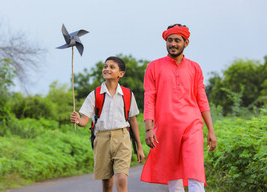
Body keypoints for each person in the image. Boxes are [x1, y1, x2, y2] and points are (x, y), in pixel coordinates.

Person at [140, 24, 217, 192]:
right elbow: (149, 99)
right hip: (166, 127)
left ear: (186, 43)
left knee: (196, 172)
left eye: (177, 40)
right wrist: (148, 128)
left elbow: (202, 100)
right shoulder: (154, 66)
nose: (173, 44)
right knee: (174, 179)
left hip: (192, 125)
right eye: (169, 40)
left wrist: (211, 130)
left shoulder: (195, 67)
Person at [70, 56, 145, 192]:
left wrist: (139, 147)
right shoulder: (94, 95)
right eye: (105, 66)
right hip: (102, 138)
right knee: (107, 181)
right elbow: (84, 121)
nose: (107, 69)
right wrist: (77, 120)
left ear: (120, 74)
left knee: (121, 177)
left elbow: (133, 120)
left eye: (112, 67)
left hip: (122, 137)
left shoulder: (127, 94)